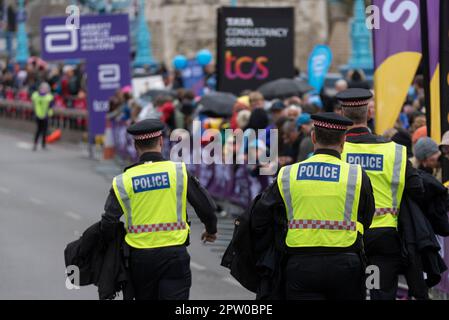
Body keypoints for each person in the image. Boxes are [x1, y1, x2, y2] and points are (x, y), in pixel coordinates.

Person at [250, 113, 375, 300]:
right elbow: (367, 217)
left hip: (300, 263)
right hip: (345, 262)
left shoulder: (287, 174)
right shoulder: (356, 175)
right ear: (344, 141)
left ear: (313, 137)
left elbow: (260, 216)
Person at [100, 119, 218, 300]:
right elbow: (207, 208)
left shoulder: (123, 180)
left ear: (135, 145)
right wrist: (211, 230)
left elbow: (109, 221)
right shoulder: (178, 172)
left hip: (140, 258)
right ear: (161, 141)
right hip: (174, 255)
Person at [338, 88, 424, 300]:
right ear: (370, 114)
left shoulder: (335, 151)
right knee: (379, 291)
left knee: (348, 290)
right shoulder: (394, 151)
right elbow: (417, 188)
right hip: (383, 236)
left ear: (341, 114)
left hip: (344, 236)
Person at [31, 82, 54, 151]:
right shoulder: (37, 95)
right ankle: (35, 144)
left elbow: (50, 106)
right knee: (39, 130)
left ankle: (43, 144)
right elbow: (33, 103)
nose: (43, 89)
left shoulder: (48, 97)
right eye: (42, 88)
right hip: (39, 115)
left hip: (45, 115)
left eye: (45, 88)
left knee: (44, 131)